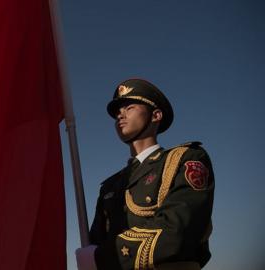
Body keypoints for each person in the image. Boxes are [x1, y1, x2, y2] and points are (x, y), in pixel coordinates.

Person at [75, 78, 214, 270]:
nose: (120, 116)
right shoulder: (110, 185)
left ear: (156, 115)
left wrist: (102, 257)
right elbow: (97, 240)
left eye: (129, 107)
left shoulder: (185, 159)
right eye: (117, 112)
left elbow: (179, 230)